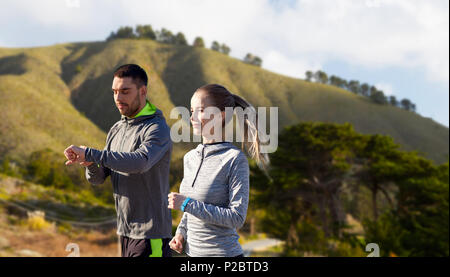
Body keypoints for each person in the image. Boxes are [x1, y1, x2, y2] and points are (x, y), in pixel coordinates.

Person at [64, 64, 173, 257]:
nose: (118, 98)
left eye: (125, 91)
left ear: (143, 91)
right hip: (124, 232)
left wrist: (91, 153)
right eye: (114, 92)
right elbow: (97, 179)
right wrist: (90, 164)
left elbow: (140, 162)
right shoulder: (116, 129)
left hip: (151, 234)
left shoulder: (157, 128)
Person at [167, 84, 269, 257]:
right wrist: (181, 234)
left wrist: (185, 203)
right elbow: (191, 209)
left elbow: (236, 218)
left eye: (199, 110)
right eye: (191, 110)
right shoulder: (189, 158)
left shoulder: (234, 159)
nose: (192, 117)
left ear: (220, 116)